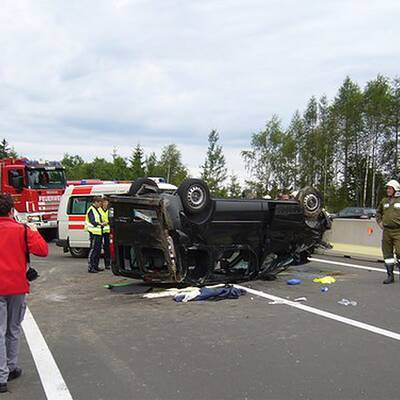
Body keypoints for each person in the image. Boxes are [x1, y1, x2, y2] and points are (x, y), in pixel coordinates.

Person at [0, 194, 48, 393]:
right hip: (16, 285)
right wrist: (34, 231)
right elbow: (42, 250)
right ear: (11, 210)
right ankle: (10, 367)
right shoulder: (21, 230)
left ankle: (1, 375)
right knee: (13, 328)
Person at [376, 179, 400, 284]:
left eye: (390, 188)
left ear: (395, 189)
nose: (388, 190)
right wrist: (379, 222)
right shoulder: (384, 201)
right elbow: (378, 212)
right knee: (387, 255)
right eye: (387, 188)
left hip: (398, 231)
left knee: (399, 252)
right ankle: (390, 276)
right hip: (386, 231)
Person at [85, 197, 105, 273]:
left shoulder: (97, 209)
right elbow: (92, 221)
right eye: (100, 203)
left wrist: (102, 222)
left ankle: (96, 266)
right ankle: (91, 267)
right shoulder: (91, 209)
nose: (101, 204)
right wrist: (100, 223)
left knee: (98, 250)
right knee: (93, 250)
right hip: (94, 233)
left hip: (99, 232)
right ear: (96, 202)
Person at [99, 198, 111, 270]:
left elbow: (111, 219)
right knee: (97, 248)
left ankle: (107, 264)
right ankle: (96, 265)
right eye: (104, 202)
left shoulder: (109, 210)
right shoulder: (99, 210)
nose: (105, 204)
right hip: (100, 230)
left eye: (106, 202)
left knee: (107, 248)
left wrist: (107, 222)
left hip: (107, 231)